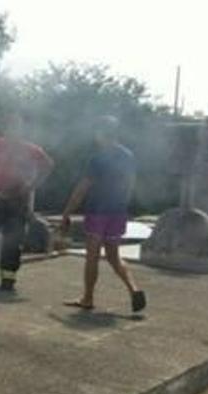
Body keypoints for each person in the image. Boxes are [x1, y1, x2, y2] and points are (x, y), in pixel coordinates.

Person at [61, 116, 146, 312]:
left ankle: (88, 298)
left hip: (98, 211)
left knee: (92, 256)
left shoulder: (98, 158)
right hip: (118, 210)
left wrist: (67, 211)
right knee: (113, 256)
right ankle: (134, 289)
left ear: (100, 133)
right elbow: (131, 184)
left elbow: (83, 187)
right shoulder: (128, 155)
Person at [0, 109, 54, 292]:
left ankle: (8, 281)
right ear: (4, 128)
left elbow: (49, 165)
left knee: (13, 241)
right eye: (10, 125)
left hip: (18, 199)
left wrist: (31, 186)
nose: (13, 129)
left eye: (17, 125)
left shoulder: (31, 149)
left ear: (22, 128)